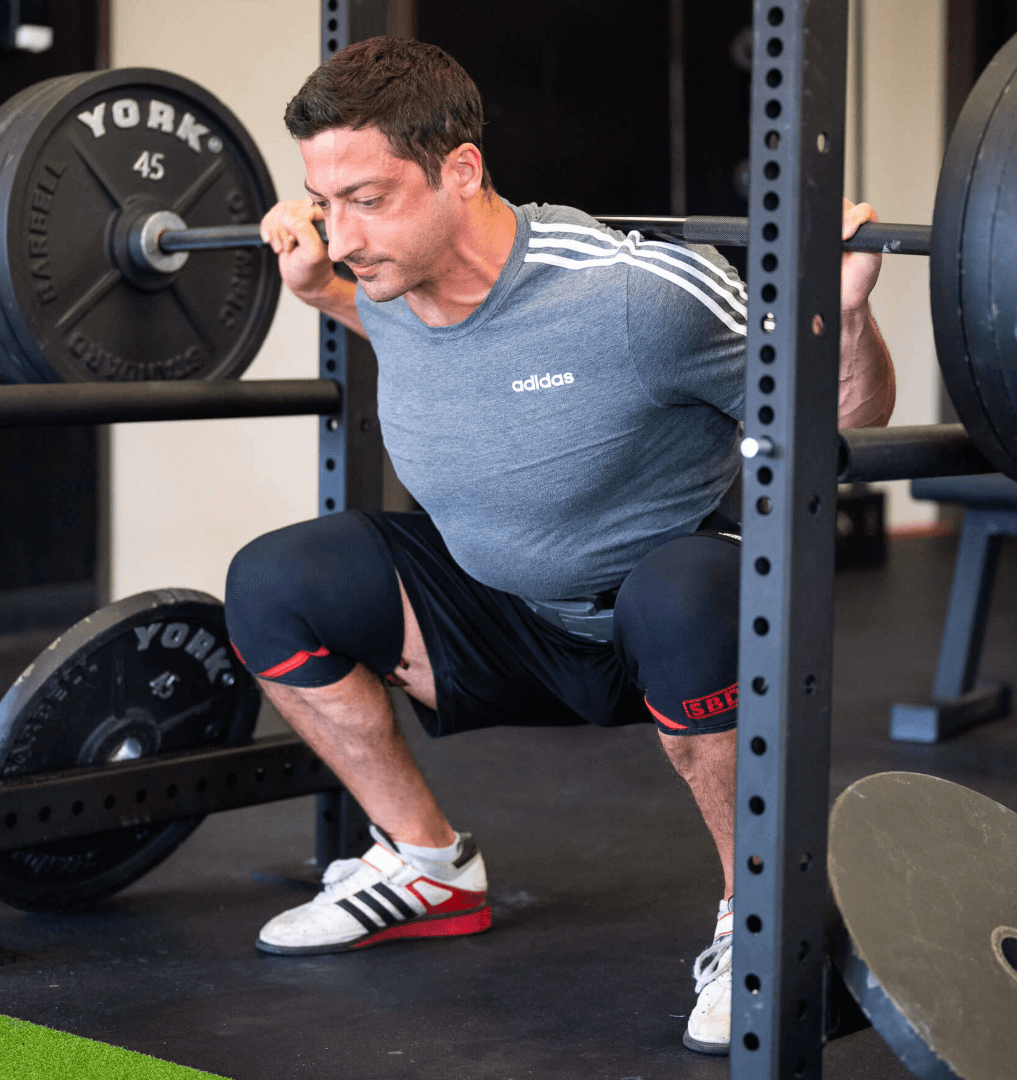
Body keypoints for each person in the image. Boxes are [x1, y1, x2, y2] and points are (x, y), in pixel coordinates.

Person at [225, 36, 895, 1056]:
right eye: (325, 199)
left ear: (463, 168)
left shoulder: (636, 296)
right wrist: (317, 282)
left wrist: (840, 324)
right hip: (499, 624)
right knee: (276, 580)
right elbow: (413, 336)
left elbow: (841, 422)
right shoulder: (386, 278)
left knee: (684, 589)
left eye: (367, 196)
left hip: (661, 627)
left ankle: (756, 922)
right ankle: (426, 865)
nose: (344, 229)